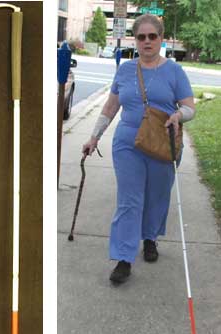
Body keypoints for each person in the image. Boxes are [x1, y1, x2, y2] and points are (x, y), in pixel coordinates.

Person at [82, 14, 195, 284]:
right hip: (127, 144)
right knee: (129, 200)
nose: (146, 41)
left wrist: (179, 116)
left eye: (152, 36)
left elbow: (190, 107)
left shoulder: (174, 71)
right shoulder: (125, 70)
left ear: (161, 39)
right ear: (136, 40)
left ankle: (150, 238)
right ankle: (123, 257)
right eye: (141, 37)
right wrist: (94, 136)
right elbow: (111, 107)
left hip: (162, 142)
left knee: (157, 197)